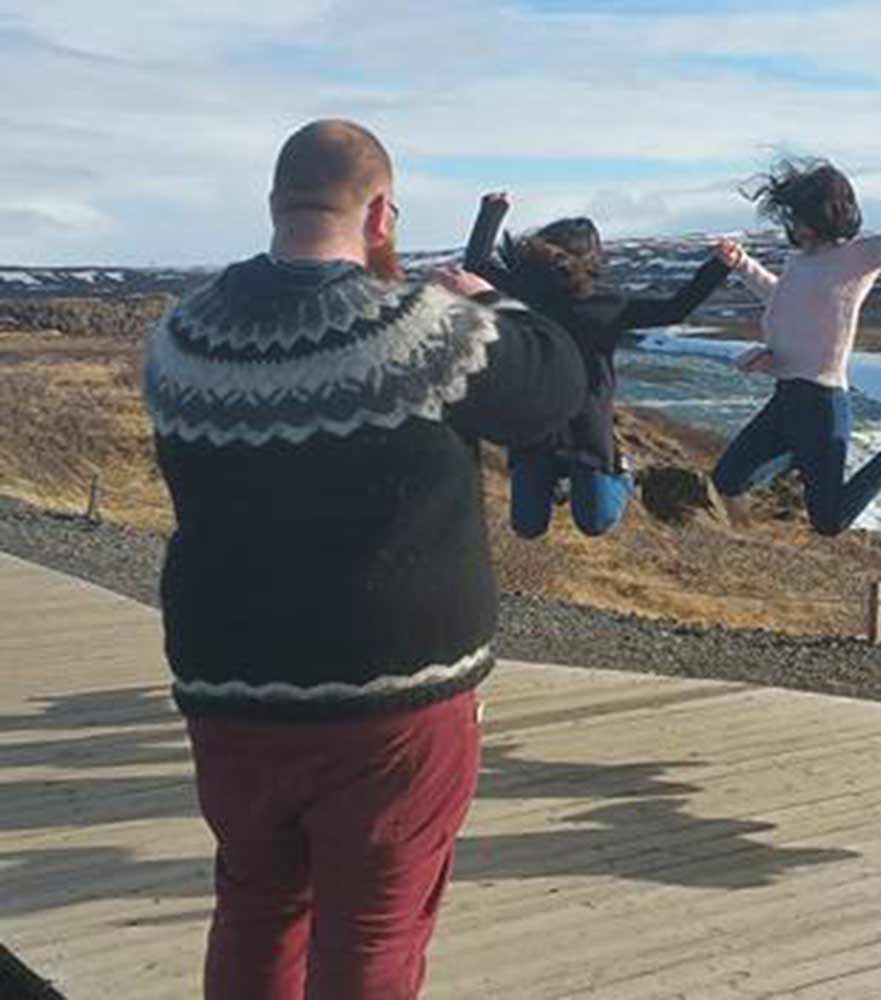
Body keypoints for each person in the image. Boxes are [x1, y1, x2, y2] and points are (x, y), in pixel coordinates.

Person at [143, 120, 588, 998]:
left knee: (255, 906)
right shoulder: (418, 331)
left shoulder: (180, 336)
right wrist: (491, 300)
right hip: (395, 700)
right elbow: (554, 389)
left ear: (276, 205)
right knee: (376, 931)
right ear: (380, 213)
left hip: (226, 688)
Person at [711, 155, 881, 536]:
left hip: (823, 404)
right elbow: (783, 299)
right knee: (727, 478)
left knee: (829, 521)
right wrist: (741, 263)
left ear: (827, 213)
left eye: (800, 216)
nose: (794, 225)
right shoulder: (799, 261)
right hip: (787, 397)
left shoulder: (859, 256)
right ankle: (767, 515)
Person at [463, 191, 731, 538]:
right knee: (527, 527)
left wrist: (717, 268)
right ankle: (559, 483)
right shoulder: (528, 291)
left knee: (595, 522)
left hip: (586, 424)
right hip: (534, 422)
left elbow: (674, 309)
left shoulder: (607, 305)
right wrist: (492, 211)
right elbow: (477, 268)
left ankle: (622, 474)